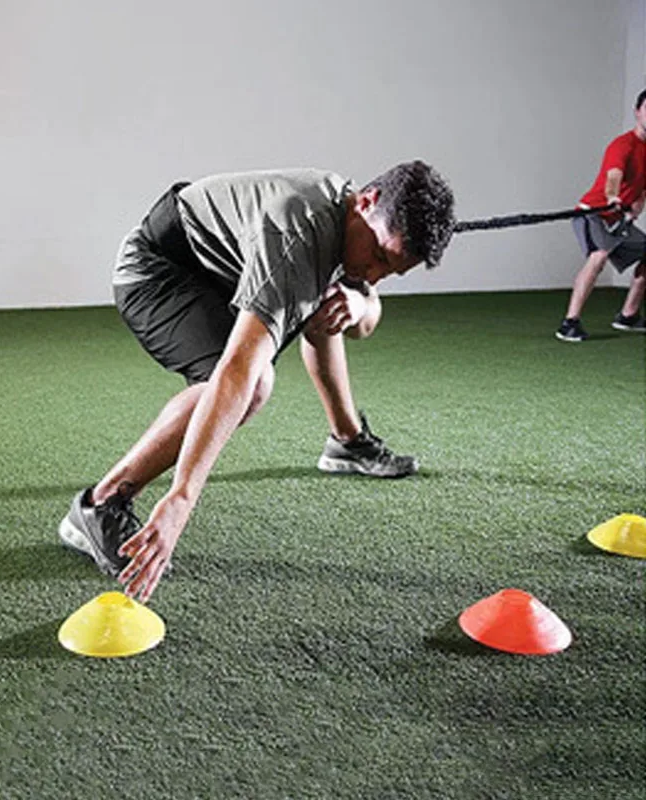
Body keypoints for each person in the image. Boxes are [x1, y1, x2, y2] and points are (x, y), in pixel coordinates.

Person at [59, 161, 455, 602]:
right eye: (380, 257)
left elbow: (364, 322)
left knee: (326, 304)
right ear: (366, 201)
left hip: (223, 276)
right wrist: (181, 499)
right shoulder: (298, 236)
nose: (375, 274)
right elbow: (236, 374)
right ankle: (101, 505)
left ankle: (346, 440)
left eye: (391, 271)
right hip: (158, 272)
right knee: (254, 385)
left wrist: (360, 304)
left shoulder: (356, 225)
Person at [555, 89, 646, 342]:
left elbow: (641, 186)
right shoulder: (623, 144)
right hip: (591, 214)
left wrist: (637, 204)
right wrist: (612, 197)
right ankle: (569, 323)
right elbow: (613, 175)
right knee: (599, 256)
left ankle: (628, 315)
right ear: (638, 112)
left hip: (617, 219)